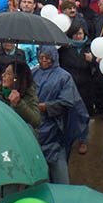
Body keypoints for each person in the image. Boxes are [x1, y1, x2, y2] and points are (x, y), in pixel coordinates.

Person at [33, 46, 89, 184]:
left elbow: (67, 101)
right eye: (41, 58)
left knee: (59, 173)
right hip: (35, 125)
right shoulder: (33, 73)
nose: (44, 61)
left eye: (47, 58)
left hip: (55, 128)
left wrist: (45, 107)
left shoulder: (64, 76)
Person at [0, 63, 41, 130]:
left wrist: (19, 104)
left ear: (16, 78)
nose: (3, 75)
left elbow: (36, 121)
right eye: (4, 72)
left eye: (8, 74)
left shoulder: (29, 94)